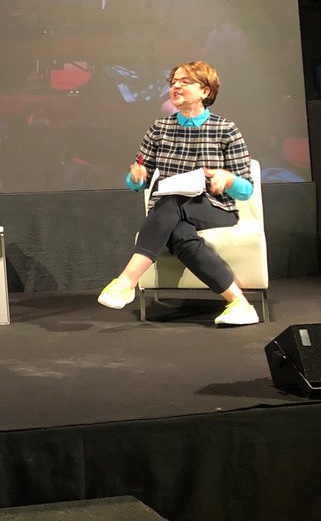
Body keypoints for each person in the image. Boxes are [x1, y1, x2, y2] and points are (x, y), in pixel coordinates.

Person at [97, 61, 260, 326]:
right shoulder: (160, 128)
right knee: (182, 235)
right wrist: (136, 177)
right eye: (173, 81)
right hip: (170, 212)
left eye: (185, 81)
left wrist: (228, 179)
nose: (176, 86)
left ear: (205, 91)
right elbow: (138, 178)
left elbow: (246, 189)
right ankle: (238, 303)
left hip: (215, 208)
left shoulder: (225, 130)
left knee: (170, 201)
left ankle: (126, 280)